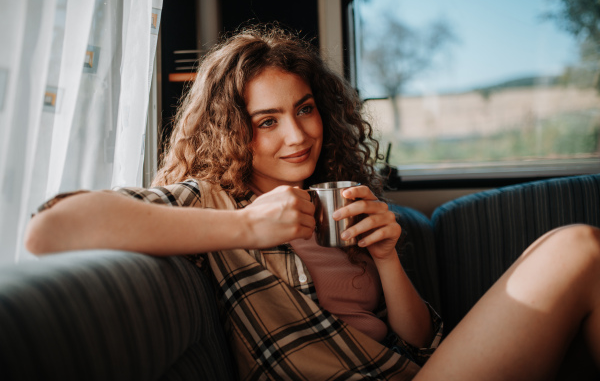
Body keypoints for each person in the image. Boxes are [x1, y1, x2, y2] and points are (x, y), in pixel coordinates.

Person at [24, 25, 600, 380]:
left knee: (567, 247)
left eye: (304, 109)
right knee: (578, 247)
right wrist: (249, 226)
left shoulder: (338, 198)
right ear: (229, 131)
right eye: (266, 121)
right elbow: (51, 231)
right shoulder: (213, 204)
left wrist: (387, 257)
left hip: (411, 370)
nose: (297, 136)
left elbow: (419, 339)